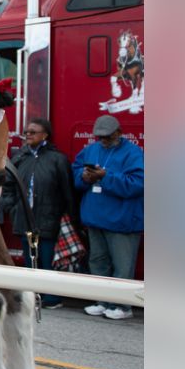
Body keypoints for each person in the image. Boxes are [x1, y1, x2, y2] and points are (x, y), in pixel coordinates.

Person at [73, 114, 144, 320]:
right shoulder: (91, 149)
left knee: (122, 266)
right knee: (98, 262)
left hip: (122, 221)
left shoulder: (133, 153)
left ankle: (123, 306)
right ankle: (101, 301)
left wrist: (105, 176)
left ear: (119, 133)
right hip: (95, 218)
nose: (102, 140)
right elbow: (76, 170)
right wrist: (83, 177)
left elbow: (138, 183)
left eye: (107, 136)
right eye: (99, 137)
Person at [1, 117, 74, 308]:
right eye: (26, 132)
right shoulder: (19, 158)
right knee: (29, 260)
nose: (28, 135)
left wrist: (68, 216)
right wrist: (12, 207)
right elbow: (7, 186)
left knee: (47, 259)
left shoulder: (57, 159)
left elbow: (67, 190)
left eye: (33, 132)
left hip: (49, 218)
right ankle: (32, 296)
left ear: (45, 135)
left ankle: (51, 297)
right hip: (24, 218)